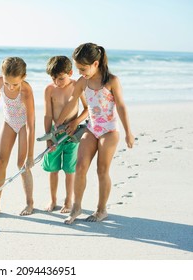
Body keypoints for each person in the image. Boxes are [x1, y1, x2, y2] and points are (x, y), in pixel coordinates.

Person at [55, 43, 135, 224]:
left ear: (96, 64)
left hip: (109, 131)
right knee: (80, 166)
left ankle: (101, 210)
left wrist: (129, 132)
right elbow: (71, 100)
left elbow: (121, 106)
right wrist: (59, 122)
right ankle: (76, 208)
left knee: (102, 170)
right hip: (91, 129)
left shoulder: (112, 81)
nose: (80, 72)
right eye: (78, 69)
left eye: (83, 68)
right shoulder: (83, 82)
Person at [0, 57, 35, 217]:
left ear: (23, 78)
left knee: (22, 164)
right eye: (7, 83)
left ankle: (29, 203)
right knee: (0, 162)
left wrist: (31, 155)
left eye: (15, 84)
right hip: (9, 122)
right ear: (2, 76)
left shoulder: (26, 91)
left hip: (24, 125)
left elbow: (31, 125)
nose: (10, 87)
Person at [42, 56, 88, 213]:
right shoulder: (49, 90)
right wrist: (48, 138)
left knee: (70, 170)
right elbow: (48, 115)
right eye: (53, 78)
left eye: (60, 78)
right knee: (53, 169)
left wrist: (75, 122)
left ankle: (68, 201)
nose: (57, 82)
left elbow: (87, 109)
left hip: (72, 135)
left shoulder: (77, 86)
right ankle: (53, 200)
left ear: (70, 72)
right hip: (55, 135)